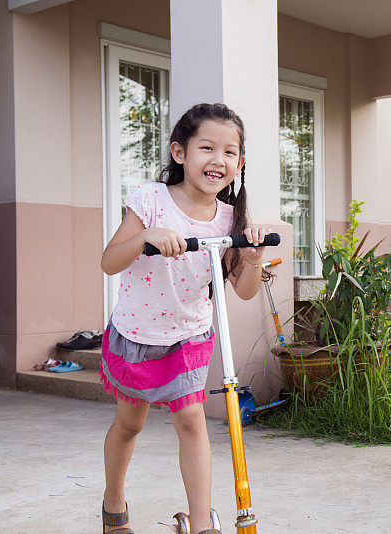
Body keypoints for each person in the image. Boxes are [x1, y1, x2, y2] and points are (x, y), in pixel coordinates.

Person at [99, 103, 270, 533]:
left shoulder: (232, 220)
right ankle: (113, 504)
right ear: (180, 153)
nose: (219, 160)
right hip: (138, 333)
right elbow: (108, 261)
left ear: (240, 163)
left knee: (192, 419)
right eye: (207, 148)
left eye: (230, 152)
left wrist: (253, 256)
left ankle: (201, 524)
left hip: (190, 336)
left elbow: (246, 291)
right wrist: (143, 237)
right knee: (129, 423)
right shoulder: (151, 200)